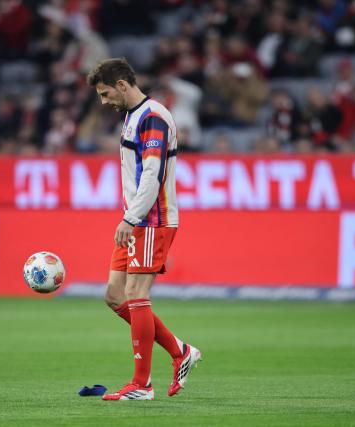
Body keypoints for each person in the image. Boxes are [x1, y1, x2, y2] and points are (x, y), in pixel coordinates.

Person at [86, 58, 201, 401]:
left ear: (122, 84)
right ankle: (180, 351)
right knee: (114, 295)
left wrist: (131, 218)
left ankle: (142, 384)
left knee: (136, 296)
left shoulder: (152, 117)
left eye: (105, 93)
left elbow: (152, 175)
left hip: (152, 219)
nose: (103, 101)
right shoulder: (133, 117)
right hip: (137, 217)